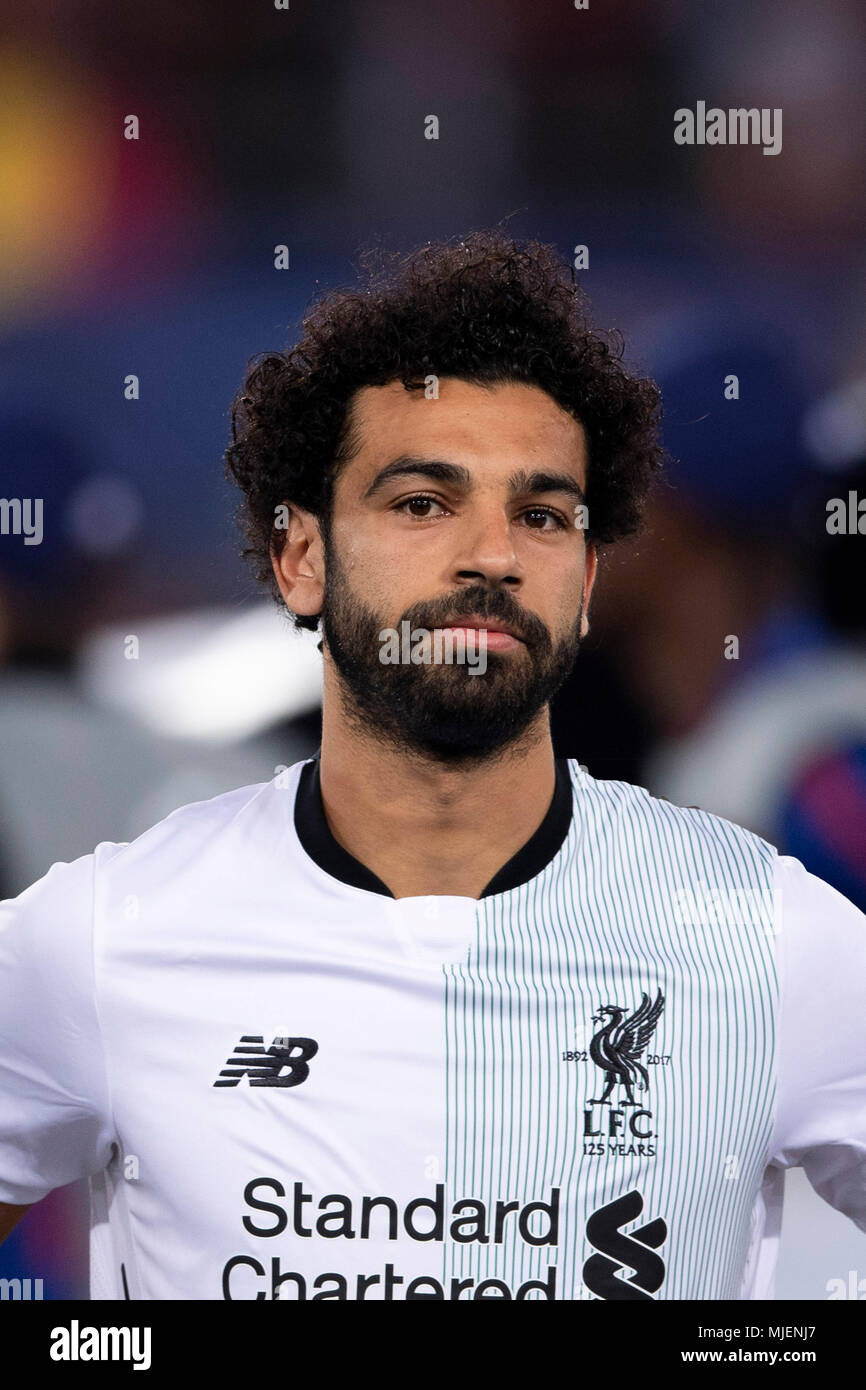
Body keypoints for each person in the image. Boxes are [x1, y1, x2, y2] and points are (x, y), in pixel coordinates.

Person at [1, 230, 864, 1301]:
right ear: (299, 556)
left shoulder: (774, 940)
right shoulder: (95, 938)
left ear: (588, 581)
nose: (490, 553)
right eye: (421, 503)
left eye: (540, 514)